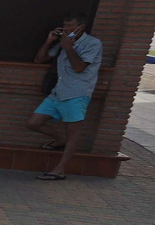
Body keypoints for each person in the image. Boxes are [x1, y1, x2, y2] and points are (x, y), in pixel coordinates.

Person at [29, 11, 102, 181]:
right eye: (65, 25)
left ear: (81, 27)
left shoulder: (92, 44)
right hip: (58, 92)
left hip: (77, 94)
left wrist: (69, 48)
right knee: (33, 122)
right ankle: (59, 139)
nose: (65, 28)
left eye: (70, 25)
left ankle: (60, 170)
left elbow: (79, 68)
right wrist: (49, 41)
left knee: (73, 133)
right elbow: (39, 60)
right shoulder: (63, 42)